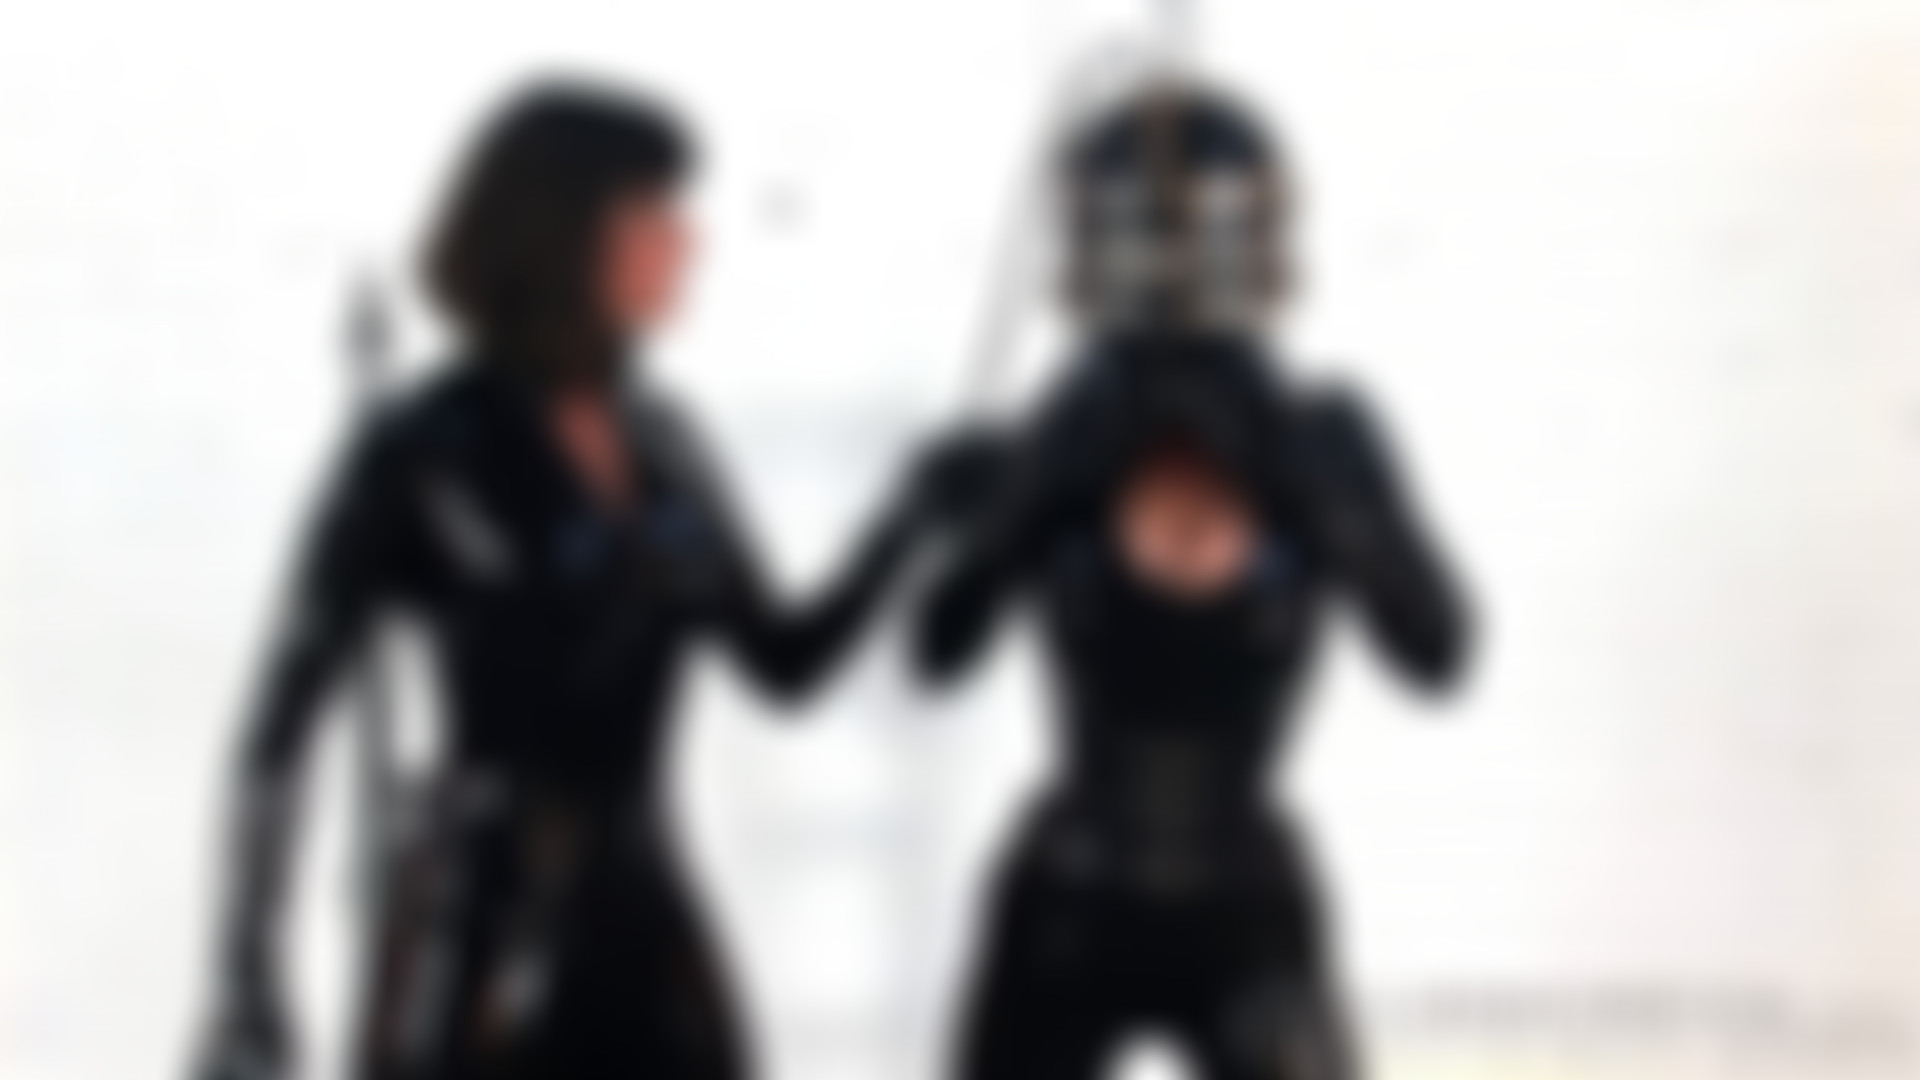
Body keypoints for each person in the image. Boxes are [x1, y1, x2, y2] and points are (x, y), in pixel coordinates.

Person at [193, 80, 979, 1080]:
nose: (687, 241)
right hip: (476, 937)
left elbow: (783, 664)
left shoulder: (666, 443)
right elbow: (278, 733)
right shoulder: (424, 449)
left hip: (646, 922)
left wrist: (909, 520)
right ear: (567, 231)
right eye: (653, 211)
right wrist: (246, 982)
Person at [913, 81, 1474, 1080]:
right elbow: (939, 652)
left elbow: (1438, 652)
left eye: (1195, 238)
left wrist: (1326, 502)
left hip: (1237, 896)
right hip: (1075, 893)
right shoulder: (1067, 431)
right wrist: (1015, 502)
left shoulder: (1316, 431)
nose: (1175, 272)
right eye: (1153, 240)